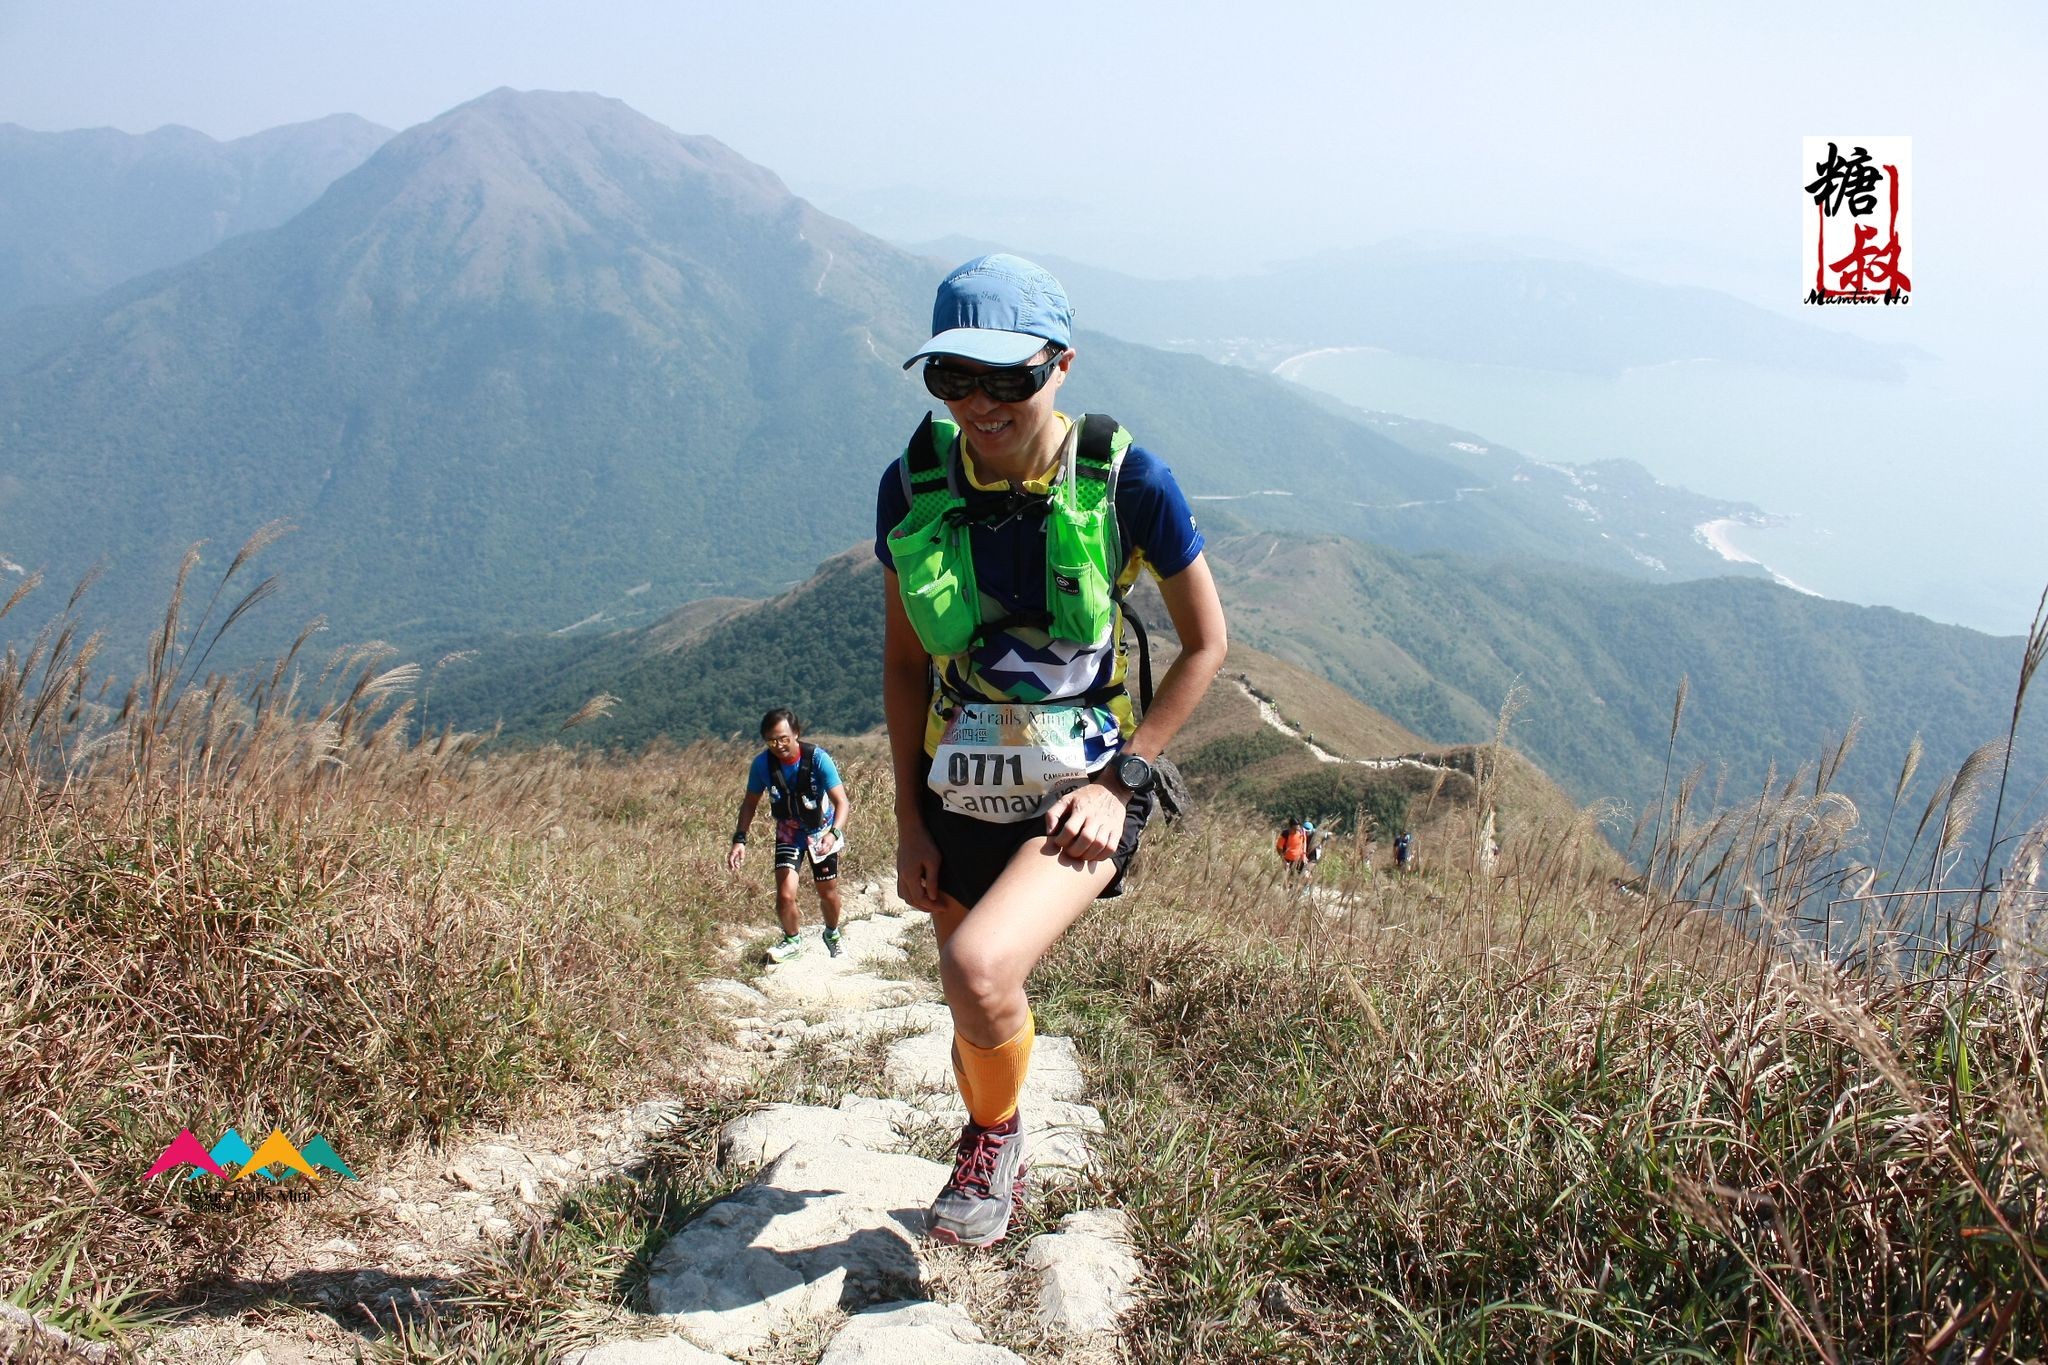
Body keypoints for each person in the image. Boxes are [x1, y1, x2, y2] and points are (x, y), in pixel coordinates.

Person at [878, 255, 1228, 1247]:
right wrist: (907, 818)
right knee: (970, 995)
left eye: (1008, 376)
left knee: (979, 968)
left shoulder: (1128, 482)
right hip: (956, 784)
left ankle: (991, 1144)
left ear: (1060, 364)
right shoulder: (912, 486)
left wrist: (1127, 778)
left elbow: (1206, 645)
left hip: (1081, 787)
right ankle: (995, 1131)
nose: (979, 403)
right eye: (952, 376)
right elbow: (904, 663)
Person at [728, 709, 851, 962]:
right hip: (788, 833)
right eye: (772, 741)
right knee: (785, 894)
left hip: (821, 832)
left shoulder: (818, 759)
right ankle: (792, 940)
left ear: (796, 733)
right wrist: (740, 840)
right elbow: (749, 803)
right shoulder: (762, 765)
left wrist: (833, 833)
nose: (779, 746)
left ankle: (832, 933)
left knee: (827, 892)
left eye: (783, 738)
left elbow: (842, 802)